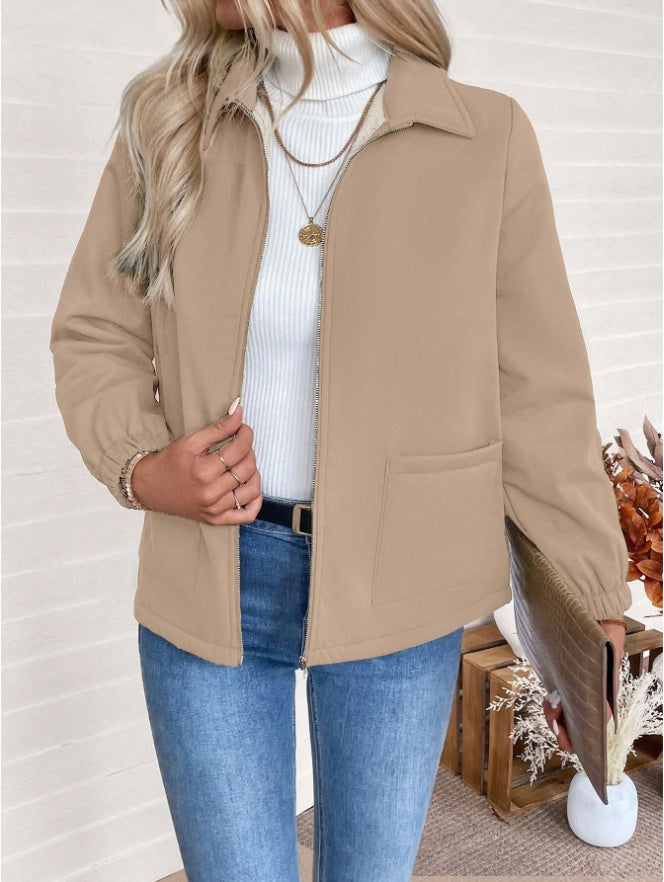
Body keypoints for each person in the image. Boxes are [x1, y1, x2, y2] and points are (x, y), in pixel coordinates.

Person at [49, 1, 630, 879]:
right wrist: (139, 466)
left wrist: (591, 604)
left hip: (406, 580)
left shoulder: (485, 138)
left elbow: (539, 393)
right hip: (209, 573)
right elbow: (96, 332)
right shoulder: (167, 123)